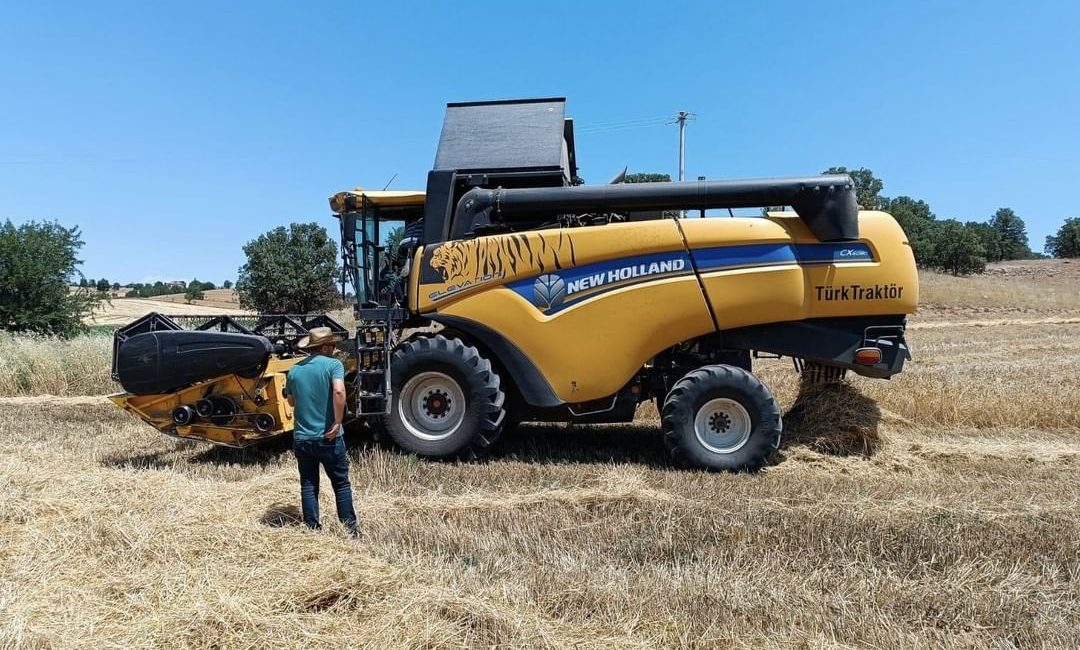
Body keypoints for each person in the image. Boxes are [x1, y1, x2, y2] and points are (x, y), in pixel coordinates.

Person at [283, 326, 358, 536]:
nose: (334, 349)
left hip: (303, 438)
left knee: (308, 484)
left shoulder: (295, 370)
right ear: (324, 347)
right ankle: (349, 529)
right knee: (341, 483)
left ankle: (312, 527)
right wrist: (337, 421)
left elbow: (290, 400)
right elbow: (339, 390)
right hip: (329, 437)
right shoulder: (334, 365)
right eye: (332, 345)